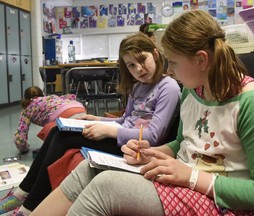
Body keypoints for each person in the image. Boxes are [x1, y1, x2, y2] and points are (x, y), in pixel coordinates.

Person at [31, 10, 254, 215]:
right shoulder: (192, 90)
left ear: (200, 60)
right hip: (187, 178)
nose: (170, 72)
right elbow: (184, 143)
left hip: (223, 201)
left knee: (106, 187)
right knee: (90, 167)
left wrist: (191, 177)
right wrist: (153, 153)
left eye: (173, 62)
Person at [0, 32, 181, 216]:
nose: (139, 69)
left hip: (136, 149)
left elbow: (154, 136)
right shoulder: (138, 87)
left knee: (63, 138)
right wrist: (97, 119)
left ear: (156, 54)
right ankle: (23, 192)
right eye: (131, 65)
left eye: (142, 60)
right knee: (56, 130)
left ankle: (28, 207)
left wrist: (108, 132)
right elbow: (125, 121)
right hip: (123, 138)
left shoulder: (169, 87)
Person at [14, 86, 87, 153]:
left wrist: (24, 149)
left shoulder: (27, 110)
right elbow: (71, 96)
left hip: (63, 116)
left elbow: (20, 137)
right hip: (79, 108)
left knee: (50, 132)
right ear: (42, 94)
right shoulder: (52, 97)